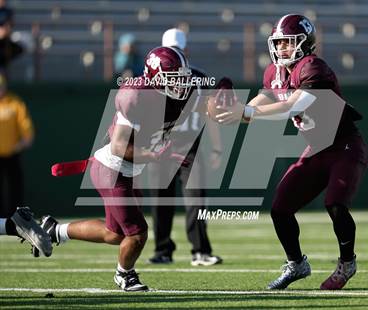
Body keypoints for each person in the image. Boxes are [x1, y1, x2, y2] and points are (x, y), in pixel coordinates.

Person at [39, 46, 219, 291]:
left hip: (127, 172)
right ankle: (125, 275)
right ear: (156, 77)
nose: (181, 83)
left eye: (183, 77)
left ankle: (55, 230)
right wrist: (156, 156)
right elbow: (119, 146)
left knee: (114, 234)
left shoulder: (178, 95)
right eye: (174, 78)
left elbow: (207, 105)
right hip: (112, 169)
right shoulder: (136, 96)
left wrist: (232, 104)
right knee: (137, 233)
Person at [216, 14, 368, 290]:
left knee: (335, 203)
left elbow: (294, 106)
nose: (281, 48)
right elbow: (262, 101)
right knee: (280, 208)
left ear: (305, 43)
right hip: (317, 148)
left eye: (288, 43)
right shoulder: (274, 72)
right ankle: (297, 264)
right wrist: (235, 112)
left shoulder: (314, 68)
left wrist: (248, 111)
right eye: (279, 43)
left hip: (344, 145)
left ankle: (347, 262)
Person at [147, 28, 223, 266]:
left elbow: (210, 115)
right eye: (171, 50)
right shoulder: (154, 80)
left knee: (196, 201)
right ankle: (162, 250)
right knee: (160, 200)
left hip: (190, 146)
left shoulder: (199, 77)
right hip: (161, 146)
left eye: (178, 50)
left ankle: (200, 251)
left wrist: (217, 147)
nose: (175, 54)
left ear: (185, 50)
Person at [0, 74, 33, 218]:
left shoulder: (15, 103)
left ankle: (17, 217)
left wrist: (19, 145)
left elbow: (27, 130)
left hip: (12, 155)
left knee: (15, 188)